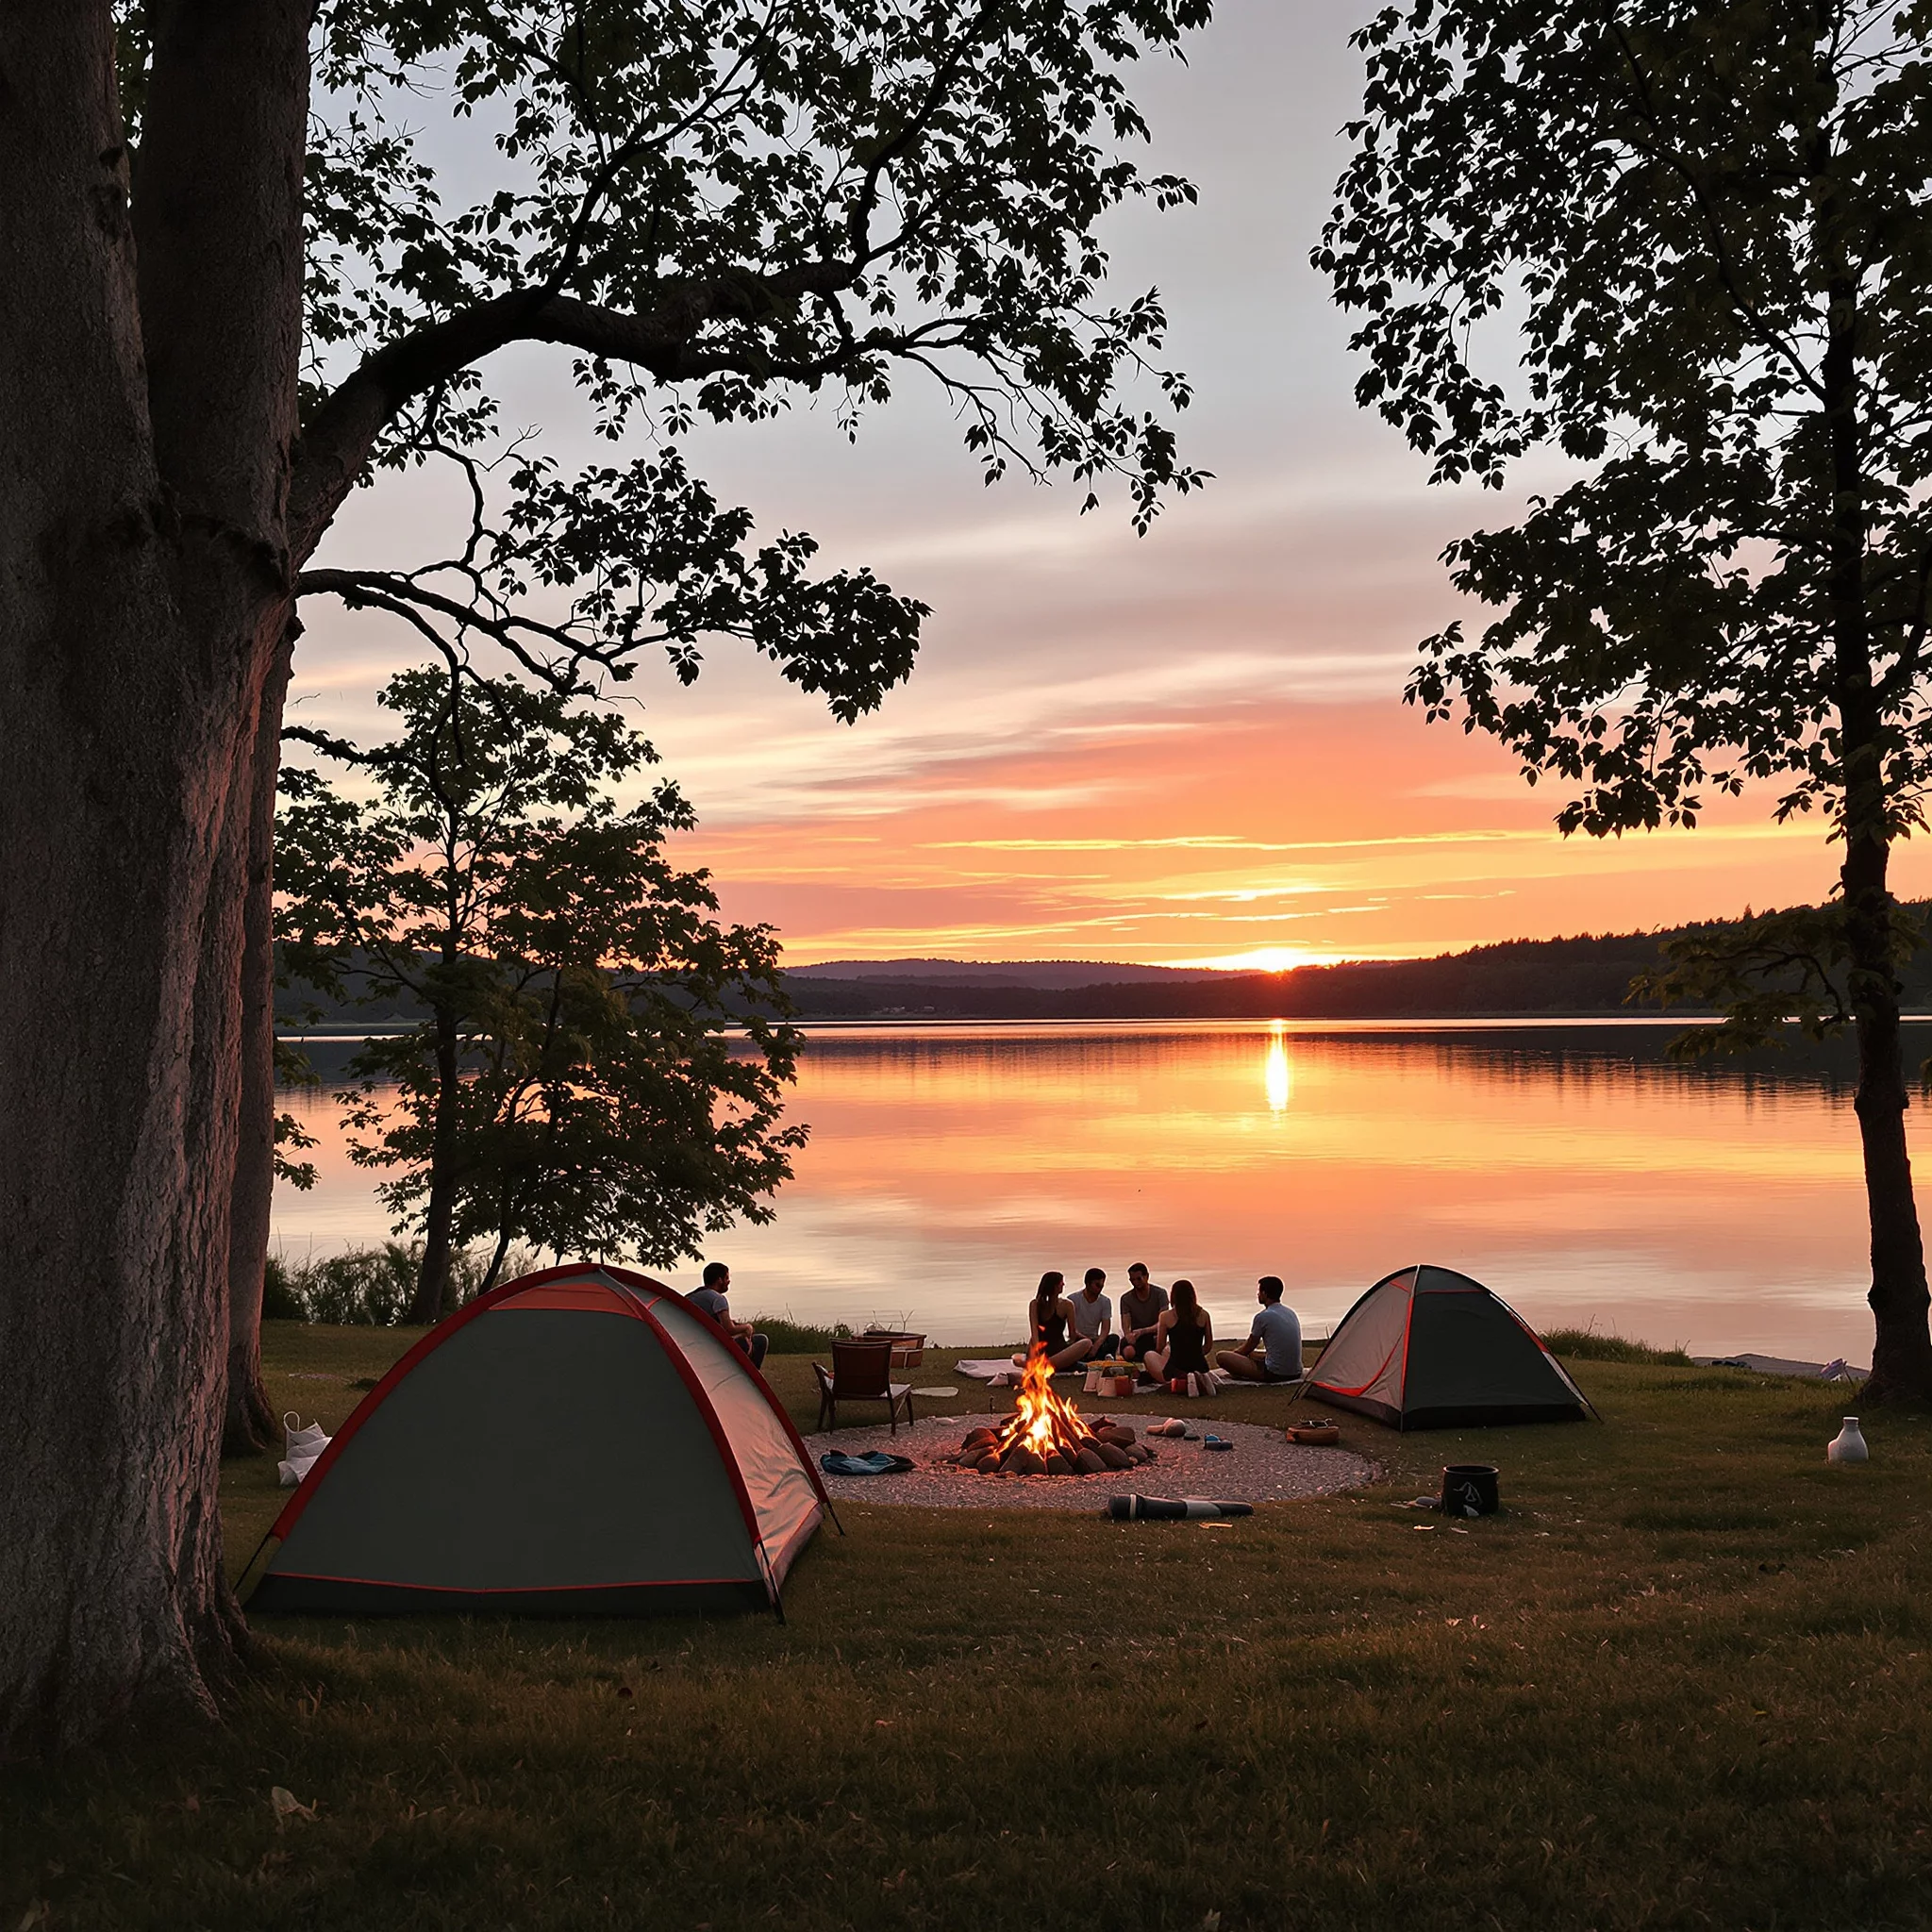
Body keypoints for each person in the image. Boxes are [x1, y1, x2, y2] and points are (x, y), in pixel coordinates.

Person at [1217, 1275, 1303, 1383]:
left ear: (1264, 1294)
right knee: (1253, 1355)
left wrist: (1234, 1354)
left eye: (1259, 1291)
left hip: (1275, 1373)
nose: (1258, 1294)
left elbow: (1248, 1347)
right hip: (1295, 1371)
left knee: (1221, 1356)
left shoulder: (1262, 1317)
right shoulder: (1291, 1313)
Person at [687, 1260, 768, 1370]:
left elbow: (716, 1322)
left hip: (692, 1346)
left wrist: (735, 1323)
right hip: (713, 1349)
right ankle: (751, 1377)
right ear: (720, 1280)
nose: (729, 1281)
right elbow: (729, 1329)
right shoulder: (718, 1299)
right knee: (759, 1340)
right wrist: (747, 1327)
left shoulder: (690, 1297)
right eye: (727, 1278)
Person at [1143, 1278, 1213, 1391]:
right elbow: (1208, 1346)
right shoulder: (1204, 1315)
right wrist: (1194, 1353)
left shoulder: (1165, 1316)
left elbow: (1159, 1347)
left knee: (1149, 1355)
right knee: (1168, 1350)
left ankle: (1183, 1378)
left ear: (1173, 1296)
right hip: (1200, 1367)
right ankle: (1194, 1377)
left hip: (1175, 1369)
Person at [1026, 1270, 1095, 1371]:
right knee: (1087, 1343)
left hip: (1044, 1352)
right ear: (1054, 1286)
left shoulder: (1034, 1304)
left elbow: (1035, 1335)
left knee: (1085, 1346)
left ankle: (1046, 1365)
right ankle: (1048, 1366)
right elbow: (1073, 1334)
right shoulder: (1067, 1305)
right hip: (1054, 1351)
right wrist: (1089, 1341)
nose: (1063, 1284)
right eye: (1061, 1282)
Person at [1118, 1262, 1168, 1361]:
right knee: (1128, 1351)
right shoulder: (1126, 1298)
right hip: (1136, 1338)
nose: (1136, 1283)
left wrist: (1143, 1331)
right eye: (1132, 1280)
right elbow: (1125, 1324)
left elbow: (1163, 1323)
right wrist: (1128, 1336)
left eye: (1139, 1279)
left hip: (1154, 1335)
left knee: (1162, 1349)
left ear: (1147, 1277)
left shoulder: (1160, 1294)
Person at [1069, 1267, 1118, 1357]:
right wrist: (1087, 1341)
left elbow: (1105, 1329)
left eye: (1102, 1286)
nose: (1100, 1289)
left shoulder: (1105, 1301)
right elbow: (1072, 1330)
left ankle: (1096, 1356)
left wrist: (1095, 1346)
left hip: (1095, 1339)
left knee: (1114, 1339)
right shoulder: (1073, 1300)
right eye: (1097, 1285)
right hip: (1078, 1339)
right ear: (1088, 1283)